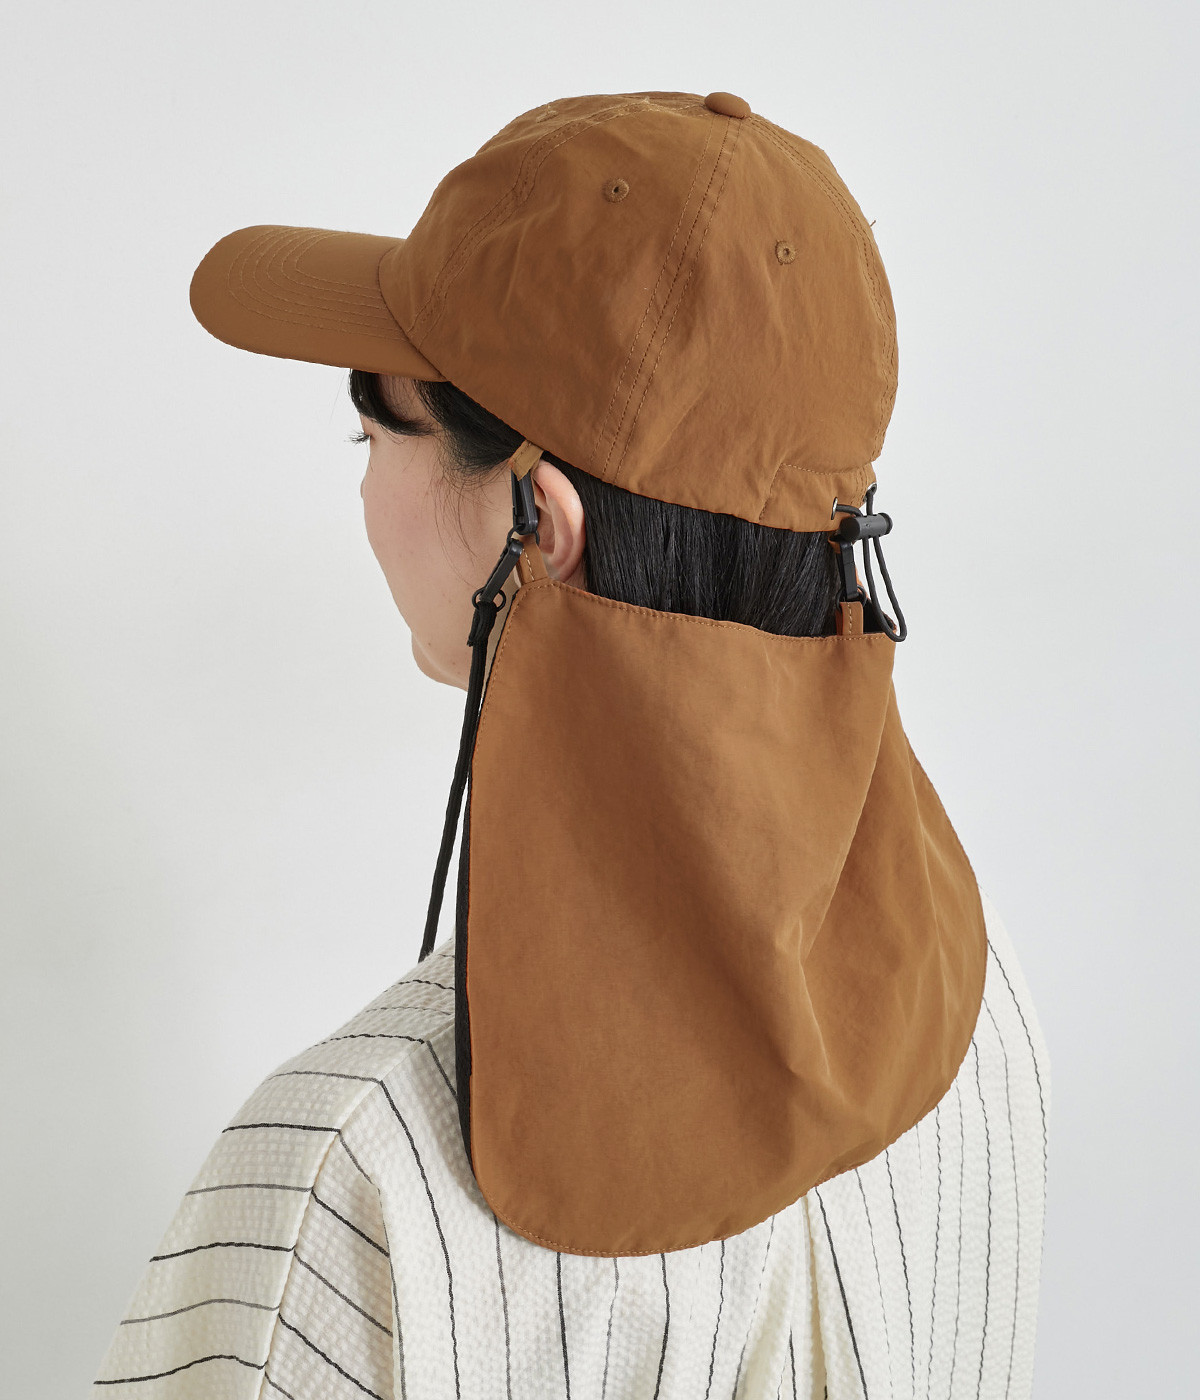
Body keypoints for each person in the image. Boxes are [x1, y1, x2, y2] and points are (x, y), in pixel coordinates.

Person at [93, 89, 1051, 1399]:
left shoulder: (346, 1176)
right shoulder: (977, 1004)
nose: (361, 485)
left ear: (538, 526)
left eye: (373, 431)